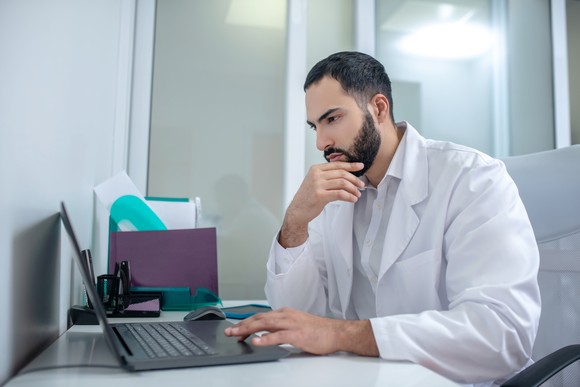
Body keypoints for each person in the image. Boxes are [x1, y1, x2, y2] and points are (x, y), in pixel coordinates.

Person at [224, 51, 541, 386]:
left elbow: (501, 335)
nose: (321, 142)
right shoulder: (336, 194)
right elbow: (300, 317)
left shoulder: (472, 179)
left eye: (332, 119)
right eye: (314, 126)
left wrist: (342, 335)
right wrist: (296, 221)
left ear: (378, 108)